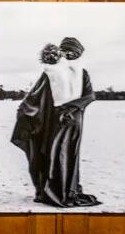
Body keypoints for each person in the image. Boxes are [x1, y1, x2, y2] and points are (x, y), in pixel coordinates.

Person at [10, 37, 100, 208]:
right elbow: (36, 95)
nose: (69, 55)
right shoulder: (52, 73)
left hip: (72, 122)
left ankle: (66, 191)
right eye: (66, 51)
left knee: (67, 155)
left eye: (73, 52)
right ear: (61, 52)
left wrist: (69, 108)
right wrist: (25, 110)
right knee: (48, 154)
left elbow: (90, 96)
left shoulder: (82, 73)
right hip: (53, 120)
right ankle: (46, 191)